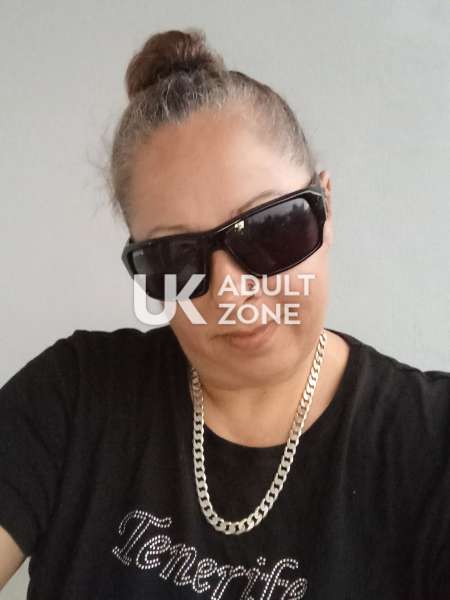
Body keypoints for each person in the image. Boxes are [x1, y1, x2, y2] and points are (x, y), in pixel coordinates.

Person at [0, 27, 449, 600]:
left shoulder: (430, 445)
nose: (231, 291)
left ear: (326, 208)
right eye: (176, 258)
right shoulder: (73, 395)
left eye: (268, 228)